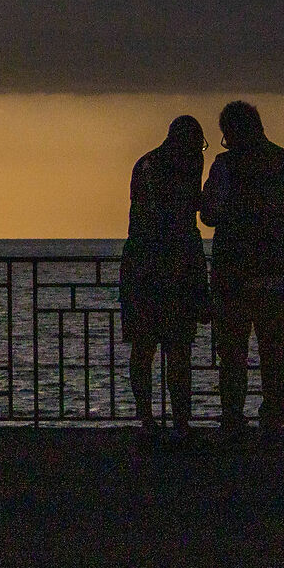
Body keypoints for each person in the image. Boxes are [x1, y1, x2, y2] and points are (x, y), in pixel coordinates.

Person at [200, 100, 284, 441]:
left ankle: (233, 416)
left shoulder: (224, 166)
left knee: (232, 351)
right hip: (274, 269)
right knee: (273, 347)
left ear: (230, 132)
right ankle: (273, 413)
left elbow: (209, 214)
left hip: (233, 270)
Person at [122, 115, 208, 439]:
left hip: (140, 265)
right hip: (175, 266)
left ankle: (146, 420)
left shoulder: (144, 163)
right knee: (178, 349)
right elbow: (187, 217)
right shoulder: (187, 165)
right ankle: (181, 423)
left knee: (143, 348)